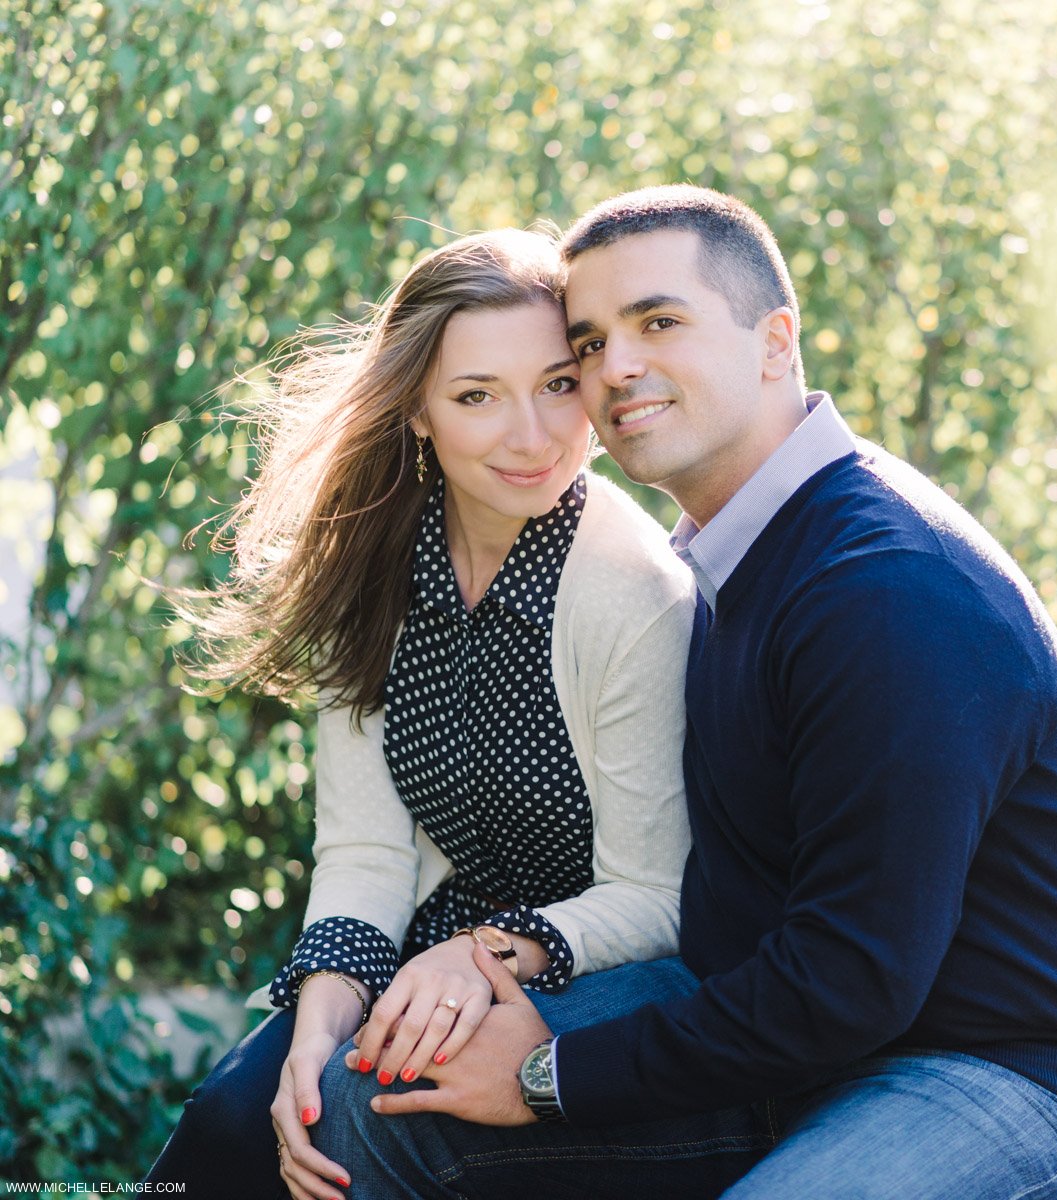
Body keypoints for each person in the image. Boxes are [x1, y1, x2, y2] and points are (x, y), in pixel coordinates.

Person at [313, 186, 1057, 1199]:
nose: (615, 368)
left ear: (775, 343)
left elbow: (854, 978)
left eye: (659, 323)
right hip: (782, 1043)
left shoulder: (888, 590)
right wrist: (506, 981)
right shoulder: (732, 556)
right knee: (387, 1110)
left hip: (999, 1074)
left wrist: (549, 1072)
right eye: (588, 343)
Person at [146, 229, 763, 1199]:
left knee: (365, 1118)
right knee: (237, 1120)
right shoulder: (378, 566)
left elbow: (653, 896)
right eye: (478, 396)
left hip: (592, 971)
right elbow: (368, 852)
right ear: (420, 412)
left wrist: (481, 957)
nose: (533, 435)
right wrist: (317, 1020)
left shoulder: (634, 594)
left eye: (560, 385)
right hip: (425, 953)